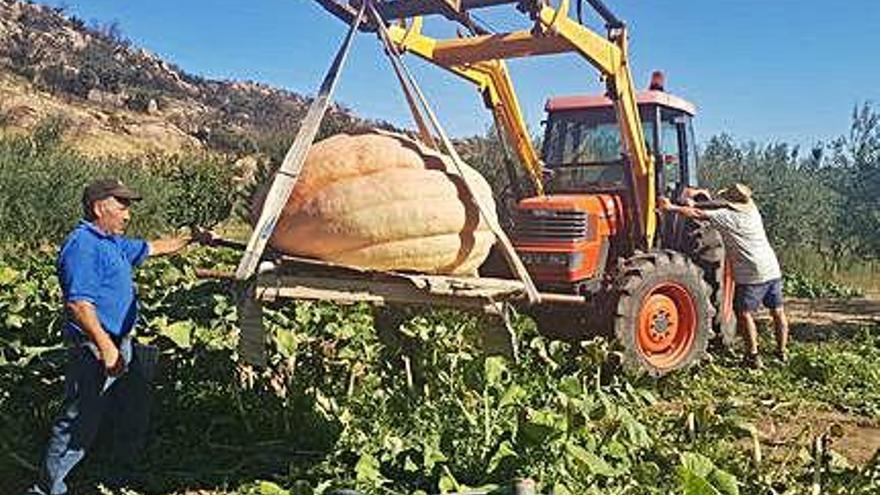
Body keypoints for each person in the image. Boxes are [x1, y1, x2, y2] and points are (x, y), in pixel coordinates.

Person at [27, 178, 209, 495]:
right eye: (122, 206)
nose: (127, 215)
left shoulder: (112, 243)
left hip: (122, 344)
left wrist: (192, 238)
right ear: (99, 207)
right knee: (79, 421)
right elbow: (79, 305)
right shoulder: (82, 245)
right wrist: (106, 348)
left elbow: (155, 247)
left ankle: (117, 481)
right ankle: (47, 489)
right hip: (96, 348)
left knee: (131, 413)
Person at [658, 183, 790, 369]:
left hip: (752, 272)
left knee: (743, 313)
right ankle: (782, 352)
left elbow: (698, 215)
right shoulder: (752, 211)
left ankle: (752, 356)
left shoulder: (727, 217)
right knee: (778, 311)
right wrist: (695, 202)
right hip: (771, 267)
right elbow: (716, 206)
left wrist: (671, 207)